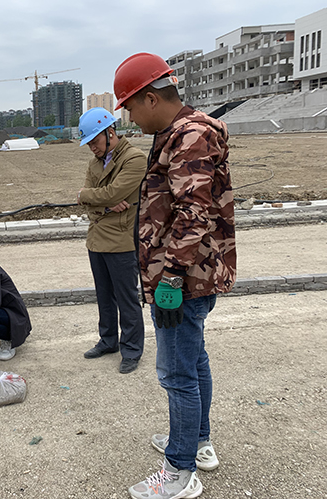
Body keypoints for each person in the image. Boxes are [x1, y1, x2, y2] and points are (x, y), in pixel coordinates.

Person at [113, 53, 236, 498]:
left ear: (150, 98)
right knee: (193, 360)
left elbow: (193, 212)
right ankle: (197, 442)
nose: (127, 116)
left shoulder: (190, 136)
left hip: (181, 281)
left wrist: (170, 279)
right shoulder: (177, 133)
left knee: (176, 373)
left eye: (128, 106)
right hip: (186, 277)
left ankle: (180, 470)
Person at [76, 107, 146, 374]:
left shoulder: (134, 159)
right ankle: (108, 340)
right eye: (89, 143)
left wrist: (93, 197)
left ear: (111, 133)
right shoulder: (95, 163)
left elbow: (114, 191)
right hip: (96, 240)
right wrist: (102, 203)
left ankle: (131, 349)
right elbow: (87, 199)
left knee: (126, 298)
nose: (92, 148)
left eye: (95, 141)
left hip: (121, 241)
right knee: (104, 297)